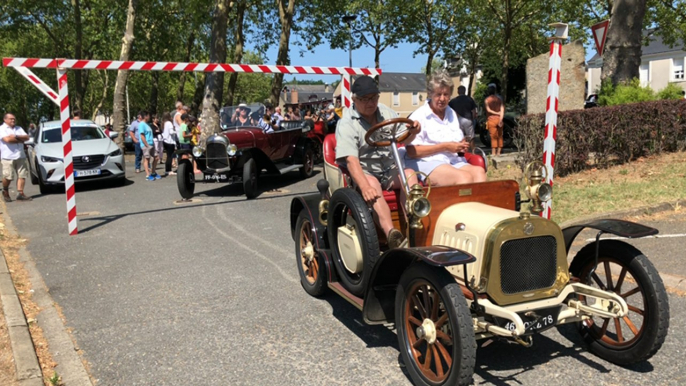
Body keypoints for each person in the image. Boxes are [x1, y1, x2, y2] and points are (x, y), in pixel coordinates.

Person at [335, 76, 421, 249]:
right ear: (354, 99)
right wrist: (365, 187)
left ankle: (414, 228)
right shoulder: (346, 123)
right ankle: (393, 236)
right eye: (365, 99)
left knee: (410, 175)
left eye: (374, 97)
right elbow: (351, 160)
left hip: (389, 168)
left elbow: (405, 137)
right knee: (372, 186)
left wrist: (414, 131)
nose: (370, 103)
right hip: (366, 170)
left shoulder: (387, 113)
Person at [405, 71, 487, 187]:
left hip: (452, 161)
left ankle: (477, 205)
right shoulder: (419, 115)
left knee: (479, 173)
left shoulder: (451, 112)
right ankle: (458, 205)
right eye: (438, 94)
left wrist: (461, 145)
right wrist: (445, 146)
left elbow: (456, 141)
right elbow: (411, 152)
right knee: (464, 178)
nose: (442, 99)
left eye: (446, 94)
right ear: (430, 94)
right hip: (428, 162)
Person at [0, 113, 32, 201]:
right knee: (8, 176)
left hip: (20, 155)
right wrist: (20, 139)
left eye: (14, 119)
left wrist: (16, 136)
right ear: (5, 120)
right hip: (8, 156)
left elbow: (27, 137)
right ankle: (5, 190)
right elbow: (7, 140)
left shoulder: (19, 128)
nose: (13, 120)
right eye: (11, 119)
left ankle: (20, 193)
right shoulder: (2, 129)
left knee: (22, 175)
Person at [138, 111, 160, 181]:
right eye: (148, 115)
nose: (149, 117)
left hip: (151, 144)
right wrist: (146, 144)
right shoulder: (141, 124)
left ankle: (153, 172)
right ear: (145, 116)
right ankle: (148, 175)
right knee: (146, 159)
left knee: (156, 157)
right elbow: (142, 135)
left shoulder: (147, 124)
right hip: (146, 145)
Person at [485, 85, 505, 156]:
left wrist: (496, 113)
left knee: (493, 137)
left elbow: (488, 110)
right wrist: (501, 119)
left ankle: (493, 153)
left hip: (491, 119)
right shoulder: (499, 99)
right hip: (499, 119)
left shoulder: (487, 100)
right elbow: (502, 110)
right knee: (500, 136)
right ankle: (499, 152)